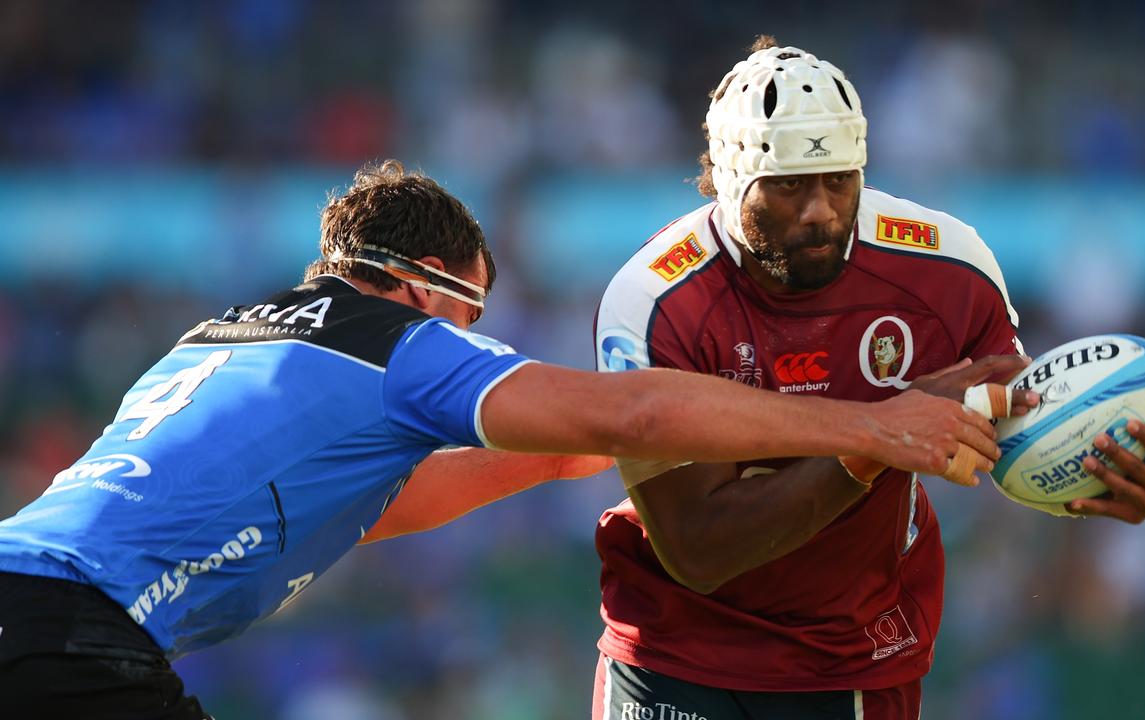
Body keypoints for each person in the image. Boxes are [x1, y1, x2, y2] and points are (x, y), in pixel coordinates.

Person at [0, 160, 1002, 719]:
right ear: (426, 281)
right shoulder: (396, 342)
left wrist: (626, 455)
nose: (465, 342)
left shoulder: (217, 338)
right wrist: (869, 424)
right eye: (468, 315)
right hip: (67, 641)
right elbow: (634, 411)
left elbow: (386, 502)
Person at [590, 38, 1145, 720]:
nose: (820, 210)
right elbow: (698, 548)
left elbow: (1020, 431)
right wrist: (878, 437)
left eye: (840, 179)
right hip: (676, 652)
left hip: (853, 660)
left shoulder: (949, 269)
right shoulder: (655, 301)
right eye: (790, 185)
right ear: (730, 180)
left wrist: (1108, 476)